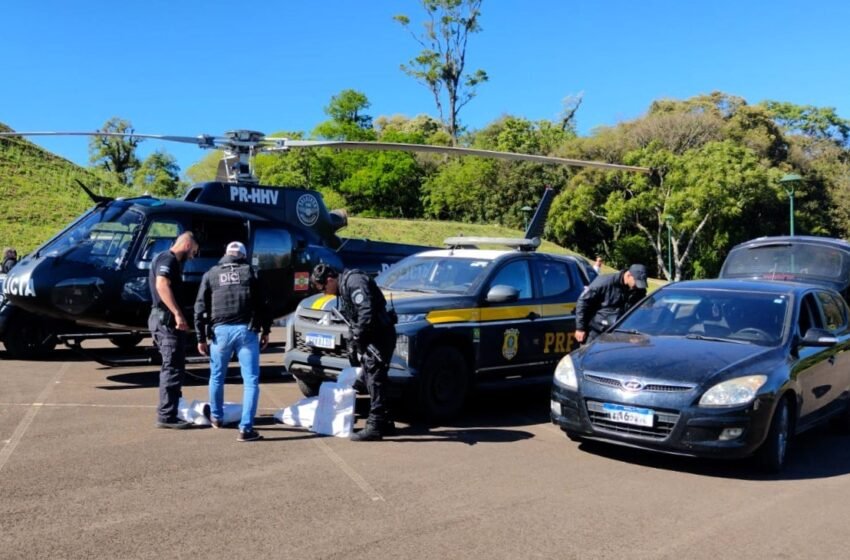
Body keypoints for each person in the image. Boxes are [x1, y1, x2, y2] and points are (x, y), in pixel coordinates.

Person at [194, 241, 271, 442]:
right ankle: (246, 428)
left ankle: (217, 418)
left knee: (217, 377)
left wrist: (200, 337)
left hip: (219, 333)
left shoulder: (211, 273)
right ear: (243, 256)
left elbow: (200, 307)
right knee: (251, 381)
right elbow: (264, 304)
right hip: (246, 331)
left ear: (226, 255)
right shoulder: (251, 272)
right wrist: (267, 330)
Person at [311, 263, 397, 441]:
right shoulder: (344, 287)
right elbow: (354, 316)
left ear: (330, 280)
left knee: (375, 379)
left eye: (324, 288)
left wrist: (358, 335)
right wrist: (353, 341)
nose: (325, 293)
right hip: (372, 336)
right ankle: (386, 422)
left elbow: (366, 311)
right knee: (372, 377)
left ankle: (375, 425)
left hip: (379, 337)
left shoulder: (354, 282)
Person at [149, 232, 199, 429]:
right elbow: (161, 284)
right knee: (172, 368)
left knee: (174, 365)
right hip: (166, 322)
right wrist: (177, 313)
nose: (194, 256)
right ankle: (167, 416)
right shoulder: (168, 259)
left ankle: (173, 408)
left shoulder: (166, 259)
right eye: (194, 251)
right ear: (187, 245)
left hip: (162, 320)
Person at [575, 263, 648, 344]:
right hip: (597, 331)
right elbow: (583, 302)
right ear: (628, 275)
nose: (638, 286)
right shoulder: (604, 282)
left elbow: (643, 307)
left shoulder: (638, 289)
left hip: (620, 334)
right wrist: (580, 328)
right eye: (636, 282)